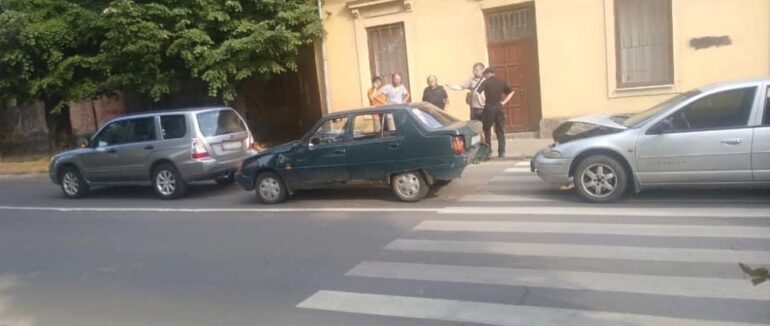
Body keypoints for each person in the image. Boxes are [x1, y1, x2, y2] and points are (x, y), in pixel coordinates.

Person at [476, 67, 514, 158]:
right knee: (500, 130)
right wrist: (504, 102)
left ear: (488, 74)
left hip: (489, 108)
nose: (484, 76)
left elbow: (477, 93)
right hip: (499, 108)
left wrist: (481, 103)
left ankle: (488, 151)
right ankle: (502, 152)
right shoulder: (502, 82)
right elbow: (511, 92)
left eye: (485, 74)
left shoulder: (485, 82)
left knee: (487, 130)